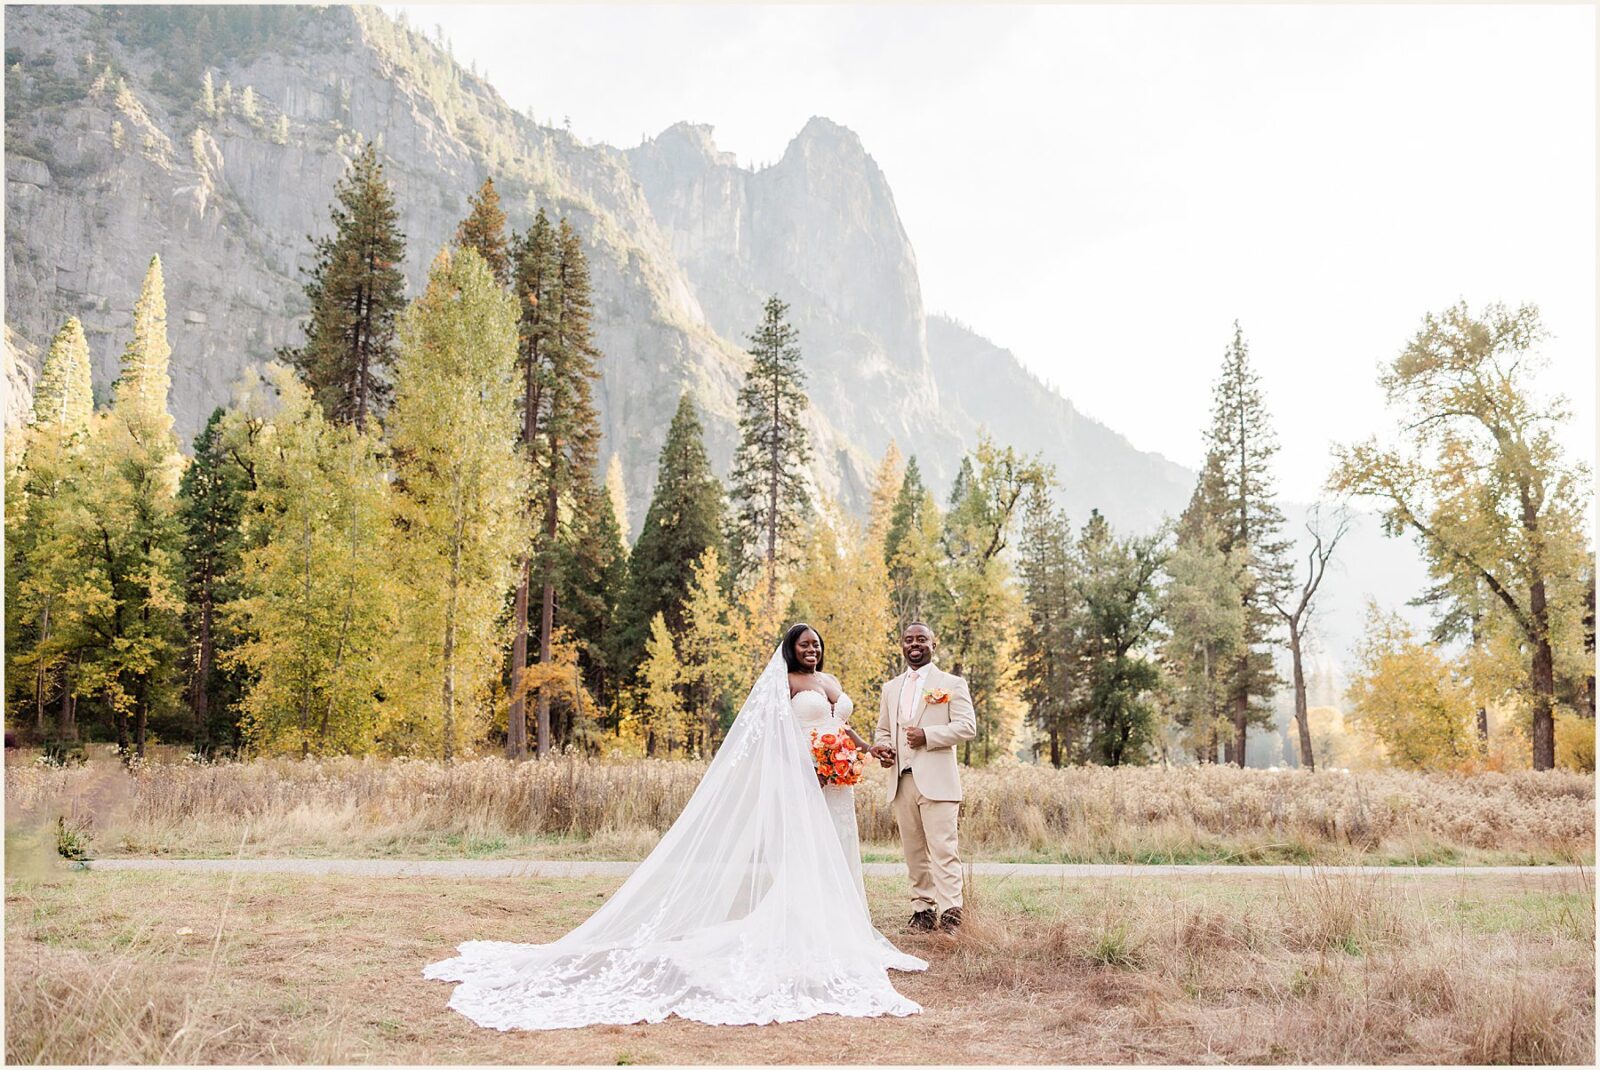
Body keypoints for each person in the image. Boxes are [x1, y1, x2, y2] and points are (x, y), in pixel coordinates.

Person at [424, 624, 926, 1030]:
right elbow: (776, 737)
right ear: (790, 651)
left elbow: (839, 726)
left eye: (816, 643)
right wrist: (811, 767)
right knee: (805, 857)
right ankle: (804, 933)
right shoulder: (785, 684)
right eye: (803, 644)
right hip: (804, 780)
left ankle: (842, 932)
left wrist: (863, 750)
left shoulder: (831, 682)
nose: (812, 650)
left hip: (836, 786)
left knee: (837, 856)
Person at [872, 621, 977, 933]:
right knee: (914, 851)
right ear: (902, 645)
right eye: (908, 639)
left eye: (921, 639)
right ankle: (923, 911)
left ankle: (951, 915)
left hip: (937, 782)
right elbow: (882, 730)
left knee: (944, 850)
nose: (914, 644)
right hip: (901, 781)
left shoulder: (952, 684)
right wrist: (885, 748)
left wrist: (928, 736)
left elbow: (967, 727)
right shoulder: (890, 689)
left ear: (934, 643)